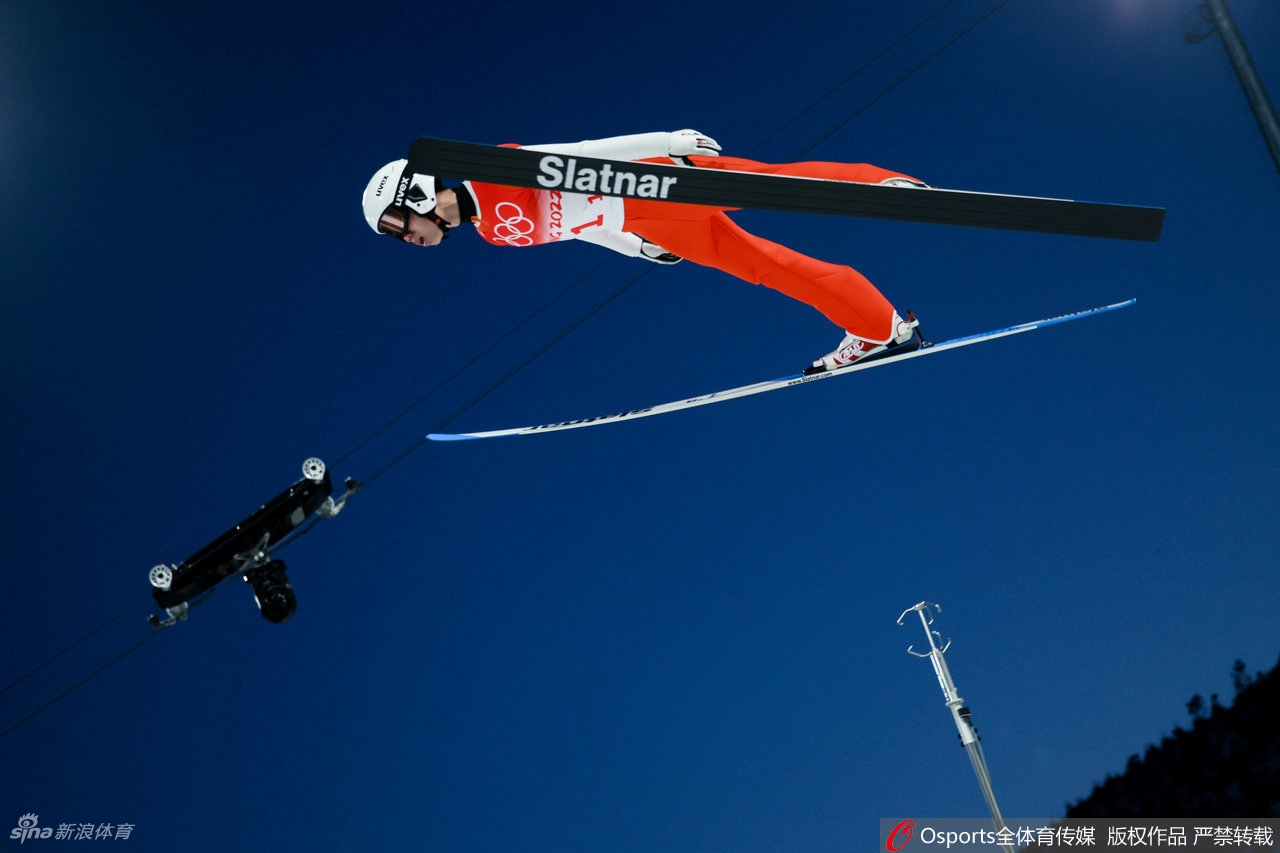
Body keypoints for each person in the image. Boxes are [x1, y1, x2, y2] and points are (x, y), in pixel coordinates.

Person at [361, 130, 924, 371]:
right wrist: (636, 249)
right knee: (764, 267)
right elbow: (579, 226)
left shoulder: (492, 171)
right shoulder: (494, 232)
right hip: (648, 222)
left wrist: (665, 144)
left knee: (772, 182)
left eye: (397, 224)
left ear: (412, 193)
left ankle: (880, 185)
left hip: (652, 180)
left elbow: (580, 154)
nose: (405, 238)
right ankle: (879, 328)